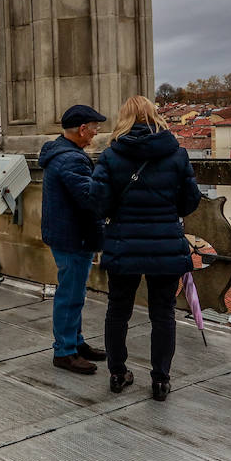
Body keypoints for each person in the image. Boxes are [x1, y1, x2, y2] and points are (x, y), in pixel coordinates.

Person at [91, 95, 202, 401]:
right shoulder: (176, 154)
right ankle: (160, 380)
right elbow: (190, 200)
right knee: (163, 313)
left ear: (123, 118)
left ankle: (117, 373)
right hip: (165, 241)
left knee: (118, 311)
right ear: (155, 116)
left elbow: (98, 202)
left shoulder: (111, 156)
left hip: (123, 242)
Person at [39, 104, 109, 376]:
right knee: (70, 295)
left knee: (74, 292)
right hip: (73, 235)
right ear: (82, 129)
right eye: (94, 128)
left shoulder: (61, 152)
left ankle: (75, 343)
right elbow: (89, 197)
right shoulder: (72, 159)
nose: (95, 133)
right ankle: (65, 351)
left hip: (65, 233)